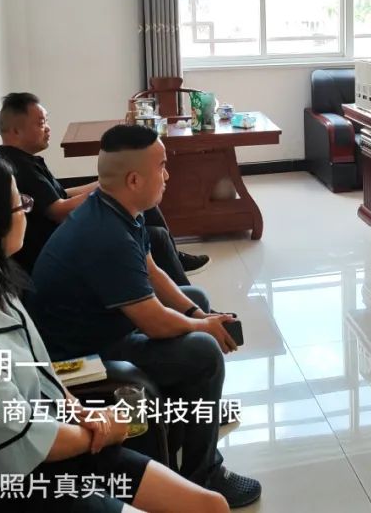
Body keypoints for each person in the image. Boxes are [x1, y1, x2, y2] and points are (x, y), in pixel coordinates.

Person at [0, 153, 227, 513]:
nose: (27, 211)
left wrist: (80, 411)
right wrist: (104, 428)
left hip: (47, 449)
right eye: (21, 204)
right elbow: (31, 440)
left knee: (210, 506)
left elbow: (41, 374)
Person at [30, 125, 261, 509]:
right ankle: (204, 472)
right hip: (82, 357)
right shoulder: (105, 236)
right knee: (203, 351)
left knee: (195, 298)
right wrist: (203, 327)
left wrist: (196, 313)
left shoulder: (116, 208)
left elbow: (152, 271)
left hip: (103, 327)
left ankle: (191, 420)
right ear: (134, 180)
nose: (168, 175)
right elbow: (153, 321)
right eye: (162, 166)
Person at [0, 92, 209, 281]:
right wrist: (110, 187)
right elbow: (58, 211)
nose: (48, 128)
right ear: (16, 131)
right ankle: (184, 296)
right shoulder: (19, 168)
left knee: (143, 198)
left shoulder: (23, 160)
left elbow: (61, 194)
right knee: (156, 236)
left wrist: (103, 182)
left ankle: (174, 260)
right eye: (41, 123)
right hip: (62, 242)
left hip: (69, 229)